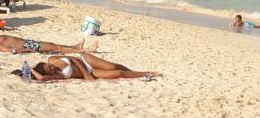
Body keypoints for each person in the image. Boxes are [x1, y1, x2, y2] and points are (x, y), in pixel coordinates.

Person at [26, 53, 160, 82]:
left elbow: (74, 59)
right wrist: (30, 69)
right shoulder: (53, 75)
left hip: (86, 60)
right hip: (92, 72)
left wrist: (85, 74)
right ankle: (145, 73)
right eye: (50, 68)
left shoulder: (52, 59)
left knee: (113, 66)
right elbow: (42, 78)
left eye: (49, 66)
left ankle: (135, 72)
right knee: (118, 73)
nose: (52, 67)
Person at [0, 32, 98, 54]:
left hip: (27, 42)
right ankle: (84, 51)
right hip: (27, 45)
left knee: (51, 44)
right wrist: (26, 49)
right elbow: (10, 50)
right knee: (56, 48)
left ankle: (75, 46)